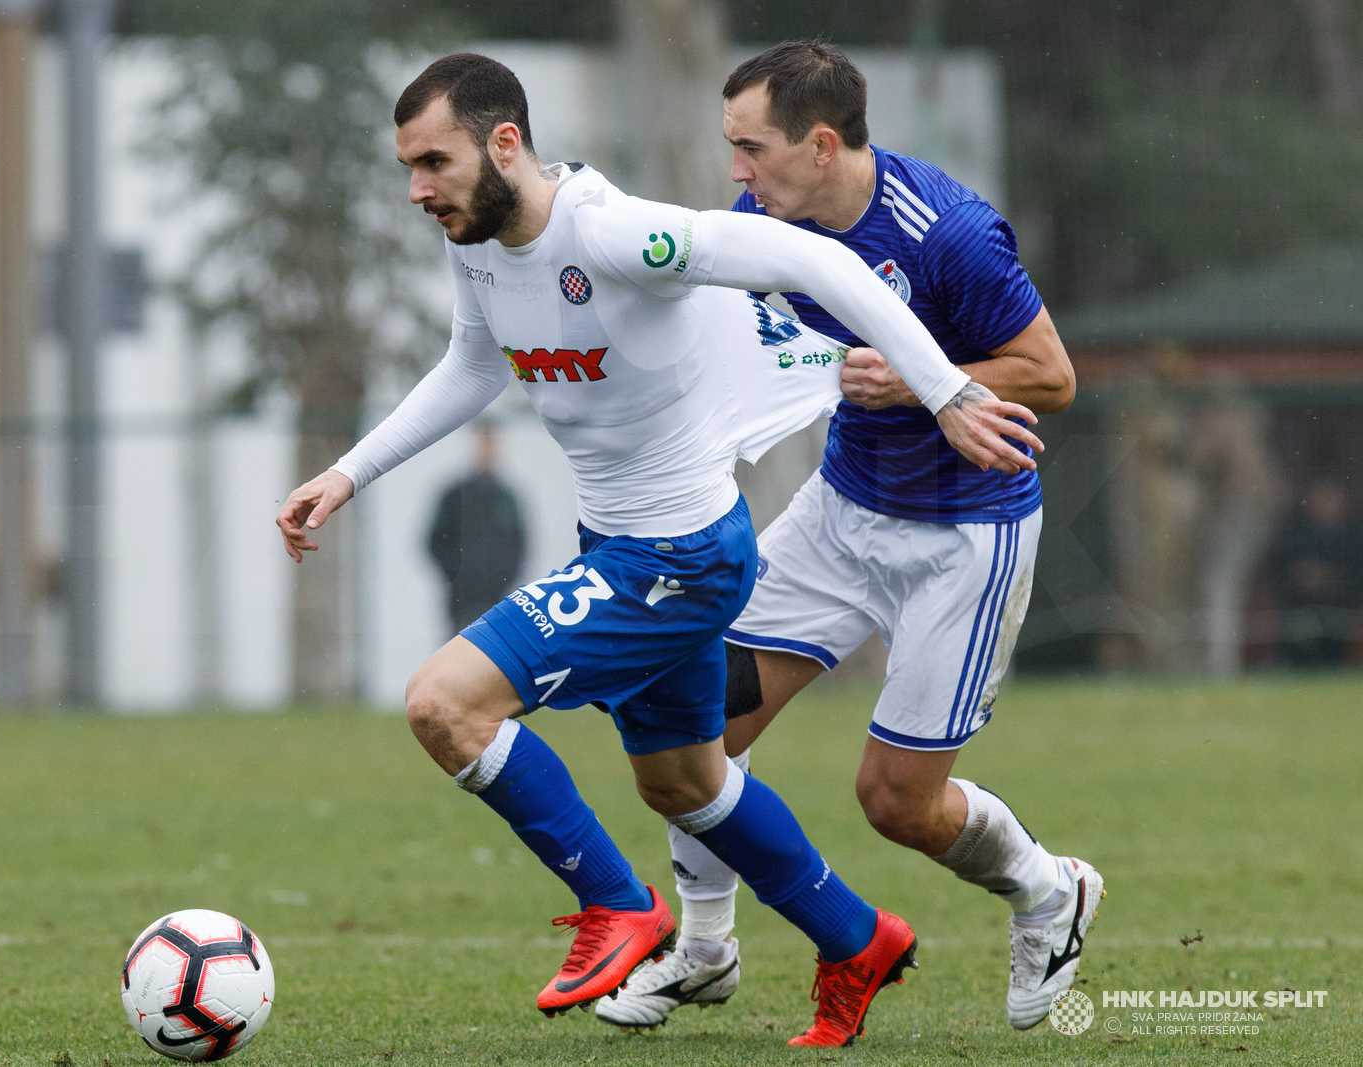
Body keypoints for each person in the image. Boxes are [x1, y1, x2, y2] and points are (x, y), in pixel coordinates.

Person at [276, 54, 1043, 1046]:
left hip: (678, 555)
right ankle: (855, 938)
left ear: (505, 143)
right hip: (622, 542)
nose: (418, 188)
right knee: (684, 780)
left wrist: (944, 390)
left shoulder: (611, 232)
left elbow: (822, 264)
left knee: (443, 702)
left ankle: (617, 906)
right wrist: (348, 472)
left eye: (434, 161)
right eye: (409, 168)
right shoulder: (477, 241)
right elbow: (473, 362)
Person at [600, 40, 1102, 1035]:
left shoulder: (947, 233)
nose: (736, 172)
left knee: (896, 802)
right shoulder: (761, 224)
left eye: (752, 148)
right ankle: (703, 949)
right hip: (839, 515)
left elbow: (1051, 375)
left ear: (820, 144)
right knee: (695, 724)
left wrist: (921, 377)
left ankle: (1050, 890)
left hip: (963, 540)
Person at [426, 423, 528, 634]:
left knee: (495, 655)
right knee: (458, 656)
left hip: (497, 598)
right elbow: (434, 540)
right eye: (483, 444)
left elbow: (520, 543)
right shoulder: (455, 495)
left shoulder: (506, 497)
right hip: (460, 598)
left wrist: (504, 578)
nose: (488, 451)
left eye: (492, 445)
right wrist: (456, 573)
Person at [1269, 478, 1356, 666]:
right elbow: (1275, 567)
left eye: (1331, 499)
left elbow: (1355, 574)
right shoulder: (1294, 532)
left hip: (1337, 611)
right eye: (1321, 498)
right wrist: (1300, 575)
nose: (1325, 505)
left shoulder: (1353, 536)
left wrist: (1330, 578)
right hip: (1296, 607)